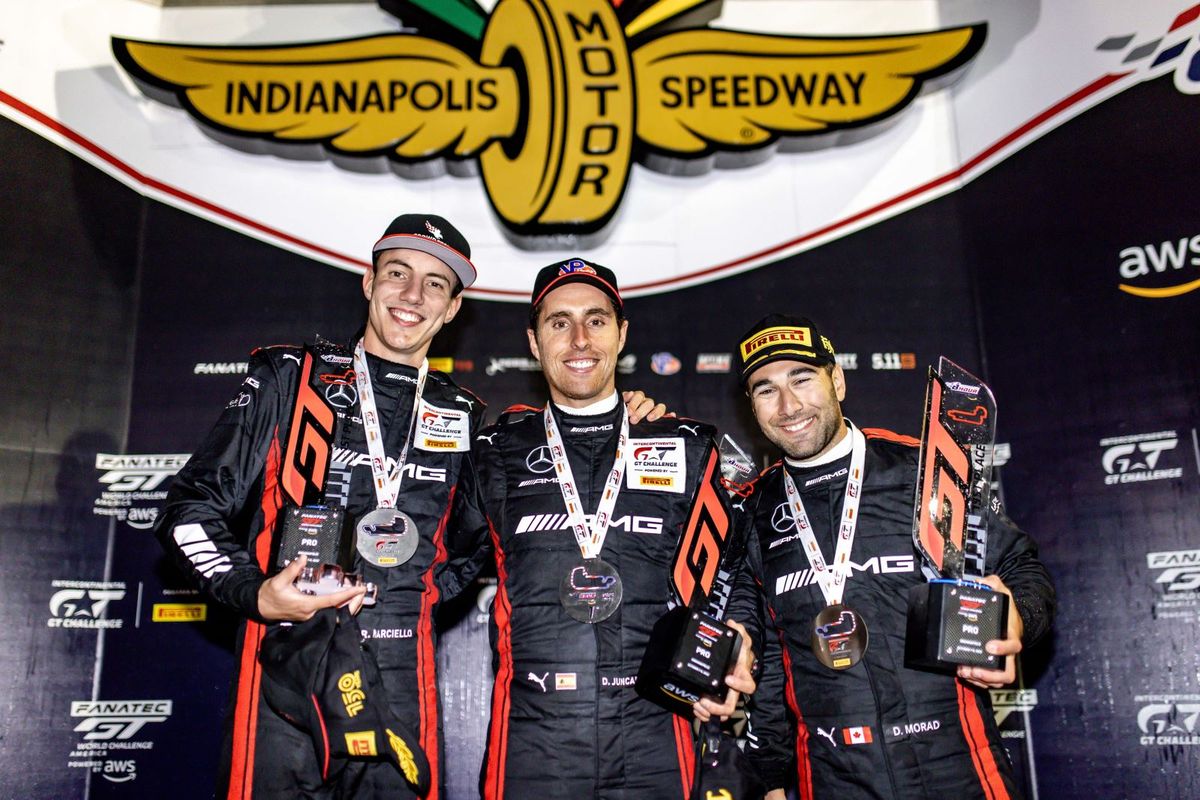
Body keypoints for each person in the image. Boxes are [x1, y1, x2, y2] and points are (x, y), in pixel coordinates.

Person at [155, 216, 660, 800]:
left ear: (452, 309)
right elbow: (189, 508)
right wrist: (255, 592)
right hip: (288, 665)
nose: (413, 295)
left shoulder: (464, 415)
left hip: (402, 677)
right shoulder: (291, 377)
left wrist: (622, 421)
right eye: (398, 274)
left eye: (435, 284)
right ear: (369, 283)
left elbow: (472, 547)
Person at [733, 314, 1055, 800]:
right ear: (752, 406)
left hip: (958, 767)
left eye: (802, 379)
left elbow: (1020, 569)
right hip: (835, 778)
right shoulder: (752, 511)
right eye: (766, 389)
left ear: (837, 381)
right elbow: (771, 664)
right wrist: (771, 780)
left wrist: (1017, 618)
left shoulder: (923, 468)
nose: (788, 405)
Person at [467, 259, 757, 800]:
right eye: (559, 322)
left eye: (596, 320)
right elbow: (432, 568)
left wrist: (740, 634)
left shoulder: (686, 446)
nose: (579, 339)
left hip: (657, 733)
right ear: (533, 342)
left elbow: (739, 566)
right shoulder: (494, 451)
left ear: (621, 335)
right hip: (534, 741)